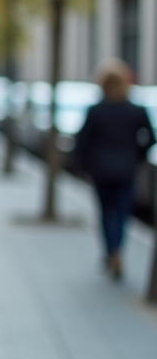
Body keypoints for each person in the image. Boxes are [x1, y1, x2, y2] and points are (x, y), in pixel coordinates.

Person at [75, 59, 155, 280]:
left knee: (105, 213)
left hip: (101, 169)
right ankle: (117, 251)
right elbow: (150, 138)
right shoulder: (136, 110)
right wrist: (136, 156)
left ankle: (110, 251)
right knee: (121, 214)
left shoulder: (96, 110)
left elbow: (82, 142)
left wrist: (85, 165)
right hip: (126, 169)